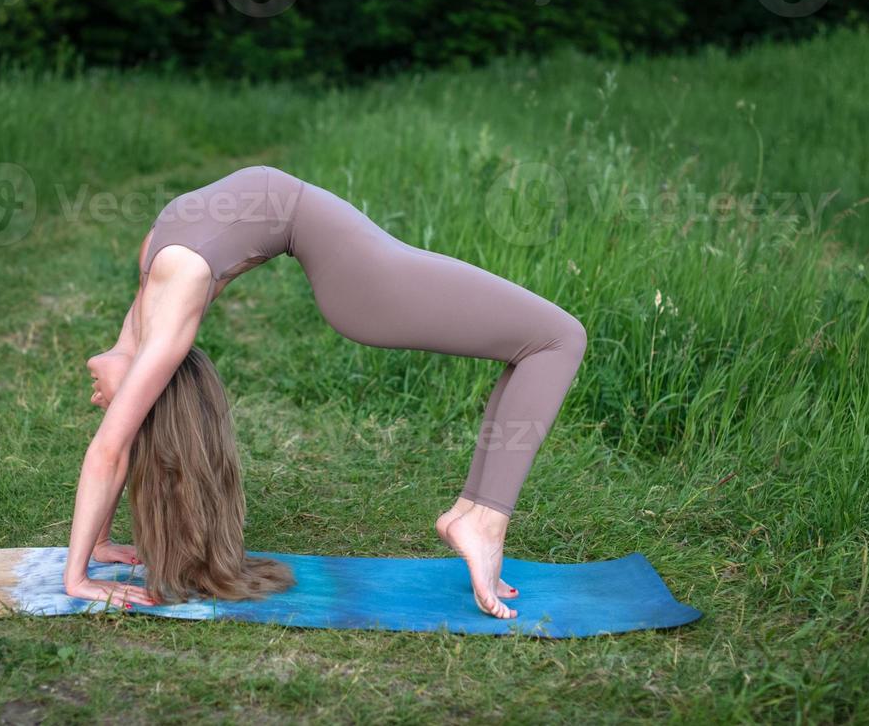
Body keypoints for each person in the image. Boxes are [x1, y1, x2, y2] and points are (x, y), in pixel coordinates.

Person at [64, 165, 587, 618]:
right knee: (557, 340)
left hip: (361, 267)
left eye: (115, 406)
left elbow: (115, 444)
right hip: (360, 271)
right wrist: (83, 569)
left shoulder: (158, 286)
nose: (101, 404)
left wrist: (93, 556)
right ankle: (482, 521)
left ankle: (477, 516)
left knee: (548, 340)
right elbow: (114, 446)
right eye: (125, 408)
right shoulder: (164, 298)